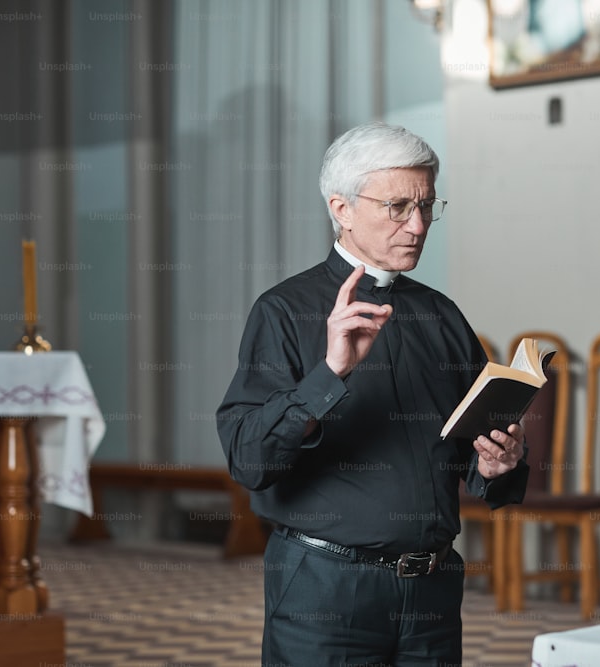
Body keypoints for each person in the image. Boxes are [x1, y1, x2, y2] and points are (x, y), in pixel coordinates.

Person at [216, 121, 529, 666]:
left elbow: (468, 452)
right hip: (326, 590)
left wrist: (499, 464)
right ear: (341, 209)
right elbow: (248, 459)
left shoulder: (441, 313)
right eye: (398, 206)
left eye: (428, 205)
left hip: (431, 589)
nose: (418, 224)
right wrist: (330, 372)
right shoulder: (284, 311)